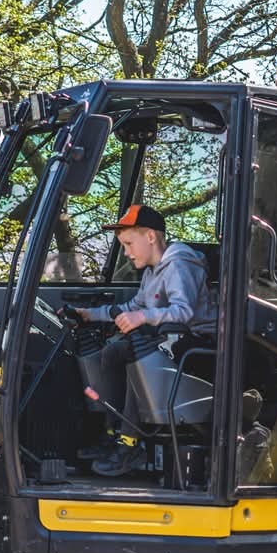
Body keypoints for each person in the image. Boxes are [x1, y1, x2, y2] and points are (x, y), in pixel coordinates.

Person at [72, 204, 216, 476]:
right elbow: (132, 307)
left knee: (135, 355)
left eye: (129, 244)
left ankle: (130, 445)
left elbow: (183, 311)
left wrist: (143, 317)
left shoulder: (179, 264)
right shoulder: (151, 272)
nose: (126, 253)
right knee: (113, 352)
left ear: (150, 237)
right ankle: (114, 432)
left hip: (198, 343)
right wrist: (90, 314)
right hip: (170, 339)